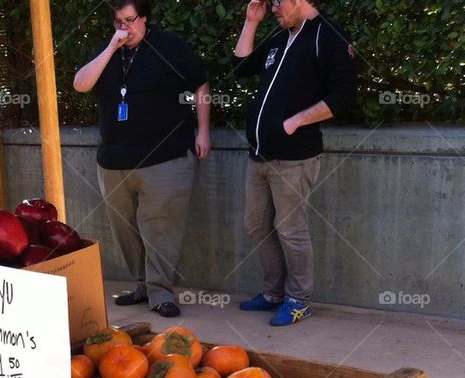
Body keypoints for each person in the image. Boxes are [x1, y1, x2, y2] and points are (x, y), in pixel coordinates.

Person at [74, 0, 211, 318]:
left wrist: (203, 131)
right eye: (118, 22)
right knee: (126, 230)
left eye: (130, 20)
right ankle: (143, 286)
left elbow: (200, 84)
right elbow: (81, 85)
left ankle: (161, 293)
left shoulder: (168, 45)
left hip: (165, 157)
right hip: (114, 160)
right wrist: (110, 48)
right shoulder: (106, 51)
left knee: (160, 228)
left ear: (145, 19)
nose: (124, 27)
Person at [233, 0, 356, 326]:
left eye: (277, 1)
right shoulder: (279, 36)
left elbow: (342, 96)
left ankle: (299, 299)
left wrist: (296, 121)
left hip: (294, 159)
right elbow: (240, 67)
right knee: (256, 226)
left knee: (291, 229)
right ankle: (274, 293)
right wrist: (251, 21)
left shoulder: (327, 37)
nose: (273, 6)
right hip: (258, 155)